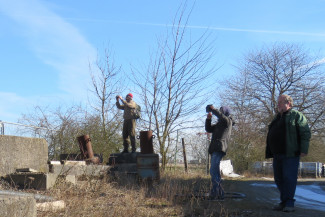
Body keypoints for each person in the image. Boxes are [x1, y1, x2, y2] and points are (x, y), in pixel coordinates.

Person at [266, 94, 311, 212]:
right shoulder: (277, 118)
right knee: (278, 179)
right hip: (277, 154)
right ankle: (284, 201)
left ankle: (289, 203)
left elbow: (305, 132)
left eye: (281, 102)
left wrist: (303, 149)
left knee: (289, 178)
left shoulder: (296, 116)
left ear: (289, 103)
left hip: (290, 153)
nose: (278, 104)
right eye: (278, 102)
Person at [205, 105, 234, 200]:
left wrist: (213, 109)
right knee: (215, 171)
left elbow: (221, 116)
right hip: (215, 148)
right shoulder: (220, 124)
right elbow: (209, 129)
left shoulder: (227, 121)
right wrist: (208, 119)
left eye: (222, 111)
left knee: (213, 171)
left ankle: (215, 192)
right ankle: (220, 193)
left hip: (219, 148)